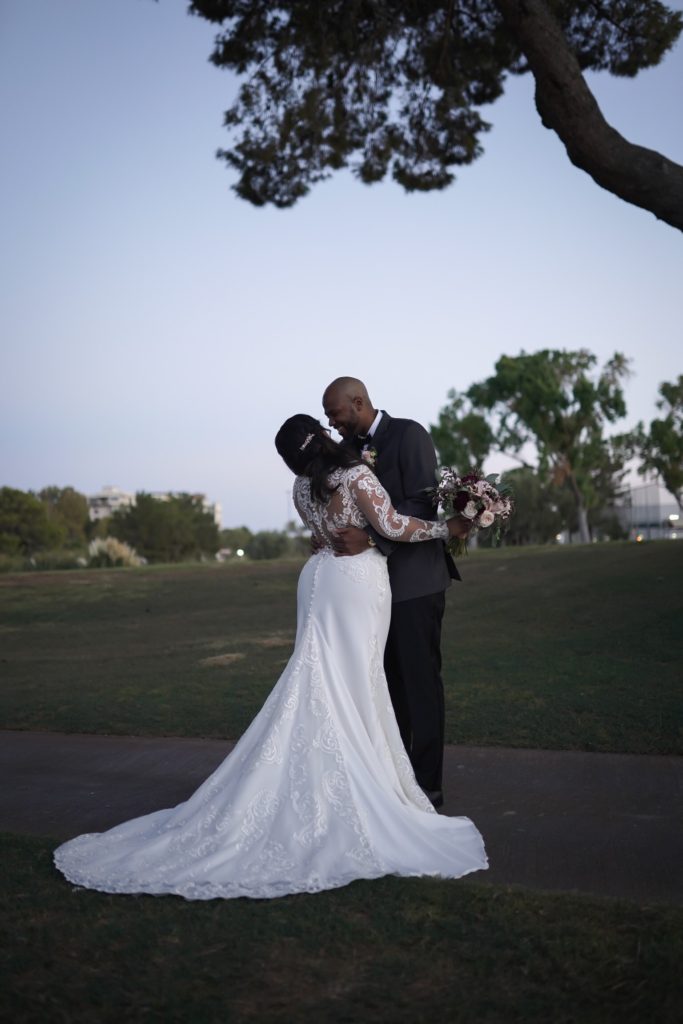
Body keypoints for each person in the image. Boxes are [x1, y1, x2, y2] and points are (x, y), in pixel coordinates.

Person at [53, 415, 487, 900]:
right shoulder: (355, 475)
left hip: (319, 579)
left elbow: (322, 535)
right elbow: (392, 526)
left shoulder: (304, 488)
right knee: (354, 682)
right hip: (355, 582)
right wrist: (450, 526)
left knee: (322, 679)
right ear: (321, 437)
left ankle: (338, 773)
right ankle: (361, 783)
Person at [322, 377, 460, 808]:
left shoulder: (410, 434)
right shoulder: (345, 451)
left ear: (358, 402)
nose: (331, 423)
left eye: (335, 414)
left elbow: (422, 506)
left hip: (415, 584)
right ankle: (397, 783)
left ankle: (428, 787)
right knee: (387, 688)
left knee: (420, 686)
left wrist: (372, 540)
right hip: (371, 592)